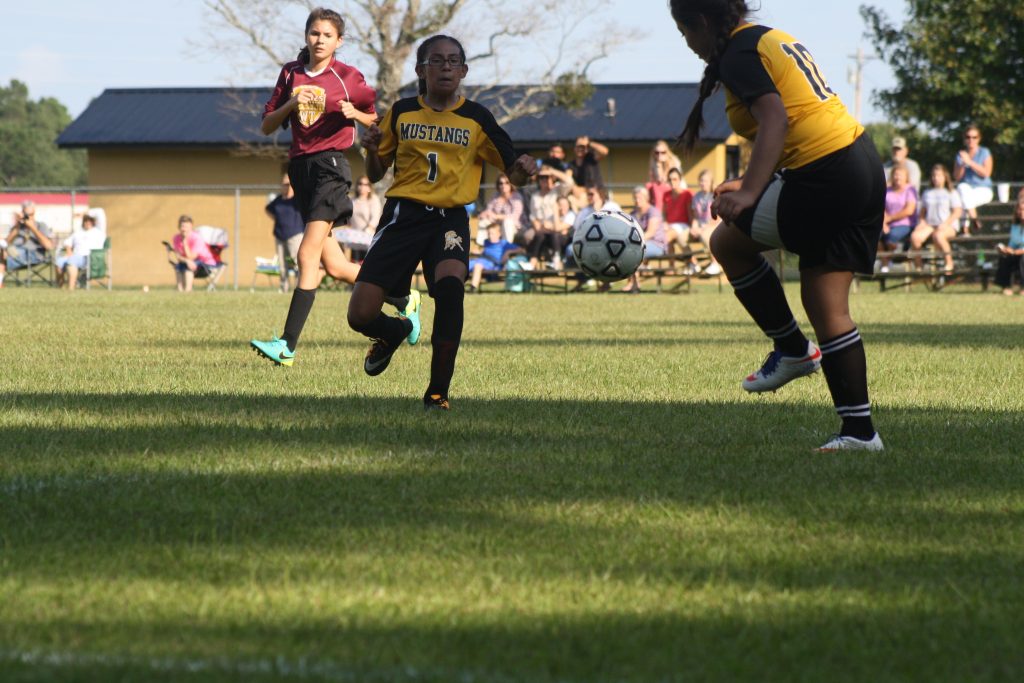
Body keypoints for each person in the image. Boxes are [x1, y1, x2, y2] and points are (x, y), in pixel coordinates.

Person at [672, 0, 886, 451]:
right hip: (858, 162)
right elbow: (799, 122)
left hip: (826, 174)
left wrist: (749, 193)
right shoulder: (768, 36)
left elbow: (776, 118)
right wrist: (749, 181)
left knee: (727, 243)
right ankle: (860, 433)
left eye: (684, 31)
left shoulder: (737, 52)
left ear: (703, 22)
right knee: (826, 304)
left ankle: (792, 349)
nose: (685, 42)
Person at [351, 34, 536, 411]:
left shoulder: (478, 118)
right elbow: (375, 172)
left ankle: (438, 393)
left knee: (451, 290)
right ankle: (394, 330)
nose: (446, 67)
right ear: (421, 70)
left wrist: (524, 170)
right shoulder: (401, 111)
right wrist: (370, 151)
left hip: (450, 220)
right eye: (437, 61)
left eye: (454, 61)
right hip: (403, 215)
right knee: (360, 315)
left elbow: (513, 174)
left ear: (464, 70)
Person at [250, 8, 415, 367]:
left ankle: (287, 345)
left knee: (306, 257)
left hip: (331, 168)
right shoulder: (291, 73)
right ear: (306, 36)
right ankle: (403, 298)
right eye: (314, 33)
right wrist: (292, 103)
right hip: (300, 170)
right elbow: (266, 125)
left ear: (338, 42)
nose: (320, 40)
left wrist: (356, 115)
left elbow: (380, 120)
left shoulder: (348, 78)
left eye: (327, 35)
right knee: (338, 267)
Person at [909, 164, 963, 274]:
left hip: (948, 225)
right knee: (915, 237)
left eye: (938, 175)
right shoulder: (927, 193)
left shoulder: (951, 192)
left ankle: (949, 264)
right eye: (933, 175)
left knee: (938, 235)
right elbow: (923, 212)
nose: (935, 178)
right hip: (930, 225)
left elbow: (957, 211)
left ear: (945, 177)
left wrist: (946, 223)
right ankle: (919, 268)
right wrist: (922, 222)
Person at [623, 185, 668, 293]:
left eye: (640, 198)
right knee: (629, 251)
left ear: (646, 198)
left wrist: (633, 242)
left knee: (634, 250)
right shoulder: (633, 214)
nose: (637, 200)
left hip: (657, 245)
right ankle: (633, 282)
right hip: (640, 245)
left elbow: (650, 233)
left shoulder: (653, 211)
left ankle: (635, 283)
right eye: (635, 198)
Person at [265, 173, 305, 292]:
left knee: (297, 263)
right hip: (279, 236)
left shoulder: (297, 199)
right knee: (282, 265)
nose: (286, 186)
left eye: (289, 184)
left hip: (295, 235)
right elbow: (268, 210)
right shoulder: (278, 200)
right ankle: (284, 288)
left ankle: (300, 288)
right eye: (284, 184)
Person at [0, 200, 54, 287]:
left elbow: (49, 246)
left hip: (34, 255)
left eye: (31, 215)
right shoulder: (17, 227)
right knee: (2, 251)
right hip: (14, 254)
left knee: (2, 252)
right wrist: (17, 225)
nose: (28, 217)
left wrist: (32, 228)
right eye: (26, 215)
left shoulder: (41, 225)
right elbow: (6, 242)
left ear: (34, 213)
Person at [953, 124, 994, 234]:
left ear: (979, 139)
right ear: (964, 139)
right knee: (962, 187)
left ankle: (964, 228)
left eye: (974, 137)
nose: (971, 140)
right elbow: (957, 177)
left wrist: (970, 162)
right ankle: (974, 219)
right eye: (968, 137)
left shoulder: (985, 152)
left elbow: (986, 173)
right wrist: (962, 164)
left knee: (963, 199)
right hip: (965, 190)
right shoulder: (960, 155)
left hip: (983, 190)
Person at [878, 164, 918, 272]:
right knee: (875, 236)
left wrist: (890, 218)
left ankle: (891, 259)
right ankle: (885, 263)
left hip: (904, 224)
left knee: (892, 236)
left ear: (906, 177)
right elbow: (880, 207)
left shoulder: (910, 190)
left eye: (900, 175)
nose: (897, 177)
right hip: (886, 223)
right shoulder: (887, 189)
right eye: (895, 174)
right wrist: (883, 223)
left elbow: (909, 210)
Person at [468, 222, 526, 292]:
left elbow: (522, 250)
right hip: (482, 260)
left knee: (478, 266)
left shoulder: (503, 243)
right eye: (488, 233)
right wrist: (479, 252)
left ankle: (472, 288)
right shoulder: (487, 242)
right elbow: (486, 252)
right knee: (464, 264)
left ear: (499, 234)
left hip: (493, 264)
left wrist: (508, 252)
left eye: (492, 233)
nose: (490, 236)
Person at [55, 213, 106, 290]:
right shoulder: (78, 233)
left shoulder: (99, 232)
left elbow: (100, 212)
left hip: (89, 257)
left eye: (90, 220)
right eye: (85, 220)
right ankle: (60, 287)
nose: (87, 222)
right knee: (59, 262)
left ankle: (71, 288)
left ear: (93, 222)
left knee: (72, 261)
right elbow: (67, 242)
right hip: (75, 255)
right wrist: (69, 251)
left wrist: (84, 213)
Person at [170, 215, 217, 292]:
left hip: (206, 265)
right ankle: (180, 290)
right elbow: (178, 256)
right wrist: (187, 261)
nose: (184, 229)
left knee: (189, 266)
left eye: (186, 227)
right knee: (178, 266)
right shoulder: (176, 238)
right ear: (179, 227)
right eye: (182, 226)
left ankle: (188, 290)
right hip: (188, 263)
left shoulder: (197, 238)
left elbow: (191, 257)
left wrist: (184, 242)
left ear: (191, 227)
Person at [689, 168, 723, 275]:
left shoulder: (715, 195)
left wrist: (702, 229)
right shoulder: (696, 197)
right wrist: (694, 227)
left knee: (704, 235)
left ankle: (715, 263)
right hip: (700, 226)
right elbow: (695, 217)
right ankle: (693, 263)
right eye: (701, 180)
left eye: (706, 181)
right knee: (682, 236)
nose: (703, 183)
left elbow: (717, 218)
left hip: (714, 225)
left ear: (711, 181)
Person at [662, 167, 697, 271]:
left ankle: (692, 262)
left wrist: (693, 226)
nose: (672, 182)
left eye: (675, 179)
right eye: (670, 179)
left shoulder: (687, 194)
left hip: (683, 225)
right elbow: (663, 213)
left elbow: (691, 213)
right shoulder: (666, 195)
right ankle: (673, 266)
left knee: (665, 237)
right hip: (670, 226)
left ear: (680, 180)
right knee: (667, 238)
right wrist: (664, 223)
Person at [476, 173, 524, 245]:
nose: (503, 185)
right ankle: (482, 245)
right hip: (498, 224)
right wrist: (485, 213)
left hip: (516, 226)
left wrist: (497, 216)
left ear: (511, 184)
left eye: (507, 183)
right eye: (501, 183)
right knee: (484, 221)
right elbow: (489, 209)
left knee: (507, 222)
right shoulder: (496, 195)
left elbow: (515, 216)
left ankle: (505, 247)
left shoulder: (517, 197)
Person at [994, 196, 1024, 296]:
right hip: (1017, 253)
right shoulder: (1015, 226)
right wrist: (1006, 249)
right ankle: (1006, 286)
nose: (1021, 212)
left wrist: (1015, 252)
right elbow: (1013, 244)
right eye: (1020, 209)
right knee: (1005, 257)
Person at [647, 140, 682, 211]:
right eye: (657, 153)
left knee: (658, 188)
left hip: (674, 186)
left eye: (663, 152)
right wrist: (658, 165)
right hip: (660, 188)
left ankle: (659, 211)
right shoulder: (654, 162)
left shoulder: (674, 161)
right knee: (649, 186)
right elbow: (656, 180)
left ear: (667, 152)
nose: (660, 155)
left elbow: (669, 179)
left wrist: (661, 165)